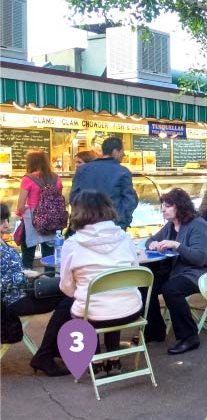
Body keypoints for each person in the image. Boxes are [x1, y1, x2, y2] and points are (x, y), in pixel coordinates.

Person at [60, 190, 141, 377]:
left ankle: (95, 361)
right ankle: (114, 360)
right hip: (130, 310)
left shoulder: (72, 244)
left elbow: (66, 286)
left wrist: (80, 291)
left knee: (87, 306)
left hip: (93, 313)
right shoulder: (125, 238)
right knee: (110, 298)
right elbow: (135, 272)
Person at [144, 188, 207, 354]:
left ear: (179, 206)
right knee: (146, 283)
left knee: (171, 289)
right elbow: (151, 240)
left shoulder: (197, 225)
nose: (163, 209)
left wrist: (177, 246)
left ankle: (189, 337)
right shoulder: (171, 226)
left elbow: (199, 258)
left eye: (167, 206)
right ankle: (155, 330)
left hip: (203, 273)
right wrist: (151, 244)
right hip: (180, 270)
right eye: (162, 206)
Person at [1, 204, 73, 377]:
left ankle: (51, 350)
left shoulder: (3, 241)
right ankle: (46, 354)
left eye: (6, 219)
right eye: (1, 220)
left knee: (68, 294)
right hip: (10, 301)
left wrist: (28, 274)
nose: (5, 224)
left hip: (19, 294)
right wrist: (26, 275)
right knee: (68, 299)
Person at [70, 137, 138, 231]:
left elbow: (73, 198)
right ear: (115, 151)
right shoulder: (123, 172)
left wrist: (79, 220)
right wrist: (124, 223)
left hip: (85, 225)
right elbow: (130, 201)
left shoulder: (82, 170)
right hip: (113, 226)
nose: (124, 154)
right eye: (122, 151)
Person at [14, 150, 64, 269]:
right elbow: (58, 201)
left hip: (31, 220)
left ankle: (28, 284)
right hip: (52, 222)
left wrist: (21, 212)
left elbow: (20, 206)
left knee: (27, 257)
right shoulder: (57, 178)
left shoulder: (27, 179)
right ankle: (49, 283)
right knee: (49, 257)